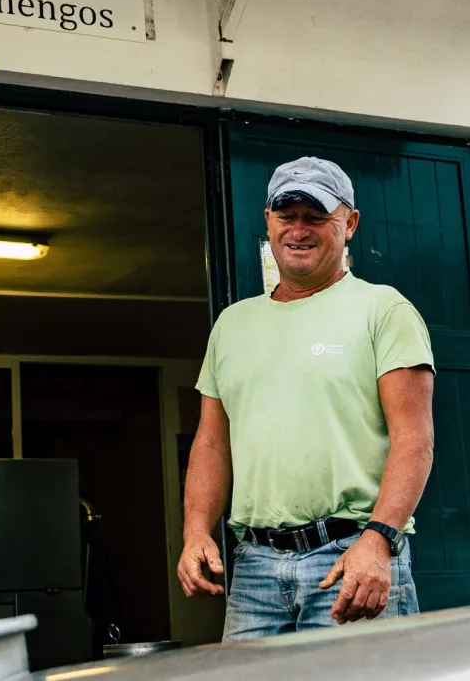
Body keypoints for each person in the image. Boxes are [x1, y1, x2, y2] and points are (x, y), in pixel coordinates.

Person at [177, 156, 435, 640]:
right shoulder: (232, 324)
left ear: (349, 223)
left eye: (316, 216)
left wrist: (379, 540)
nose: (299, 229)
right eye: (286, 215)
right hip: (253, 569)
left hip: (351, 559)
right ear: (268, 221)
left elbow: (414, 442)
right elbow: (211, 444)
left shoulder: (384, 310)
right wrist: (195, 530)